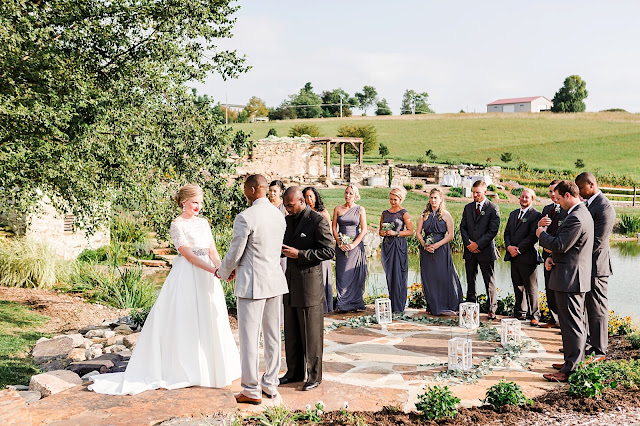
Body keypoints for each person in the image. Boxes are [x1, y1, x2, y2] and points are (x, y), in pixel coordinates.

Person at [89, 184, 240, 395]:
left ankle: (212, 368)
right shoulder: (176, 224)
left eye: (200, 202)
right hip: (188, 275)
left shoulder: (204, 223)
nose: (199, 206)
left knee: (209, 318)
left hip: (208, 277)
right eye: (195, 202)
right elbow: (188, 255)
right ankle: (183, 369)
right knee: (184, 318)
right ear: (183, 202)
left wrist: (223, 269)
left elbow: (212, 250)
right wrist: (213, 271)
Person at [216, 174, 289, 404]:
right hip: (275, 281)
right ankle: (271, 385)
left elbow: (236, 251)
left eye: (245, 188)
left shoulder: (245, 217)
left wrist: (223, 271)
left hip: (252, 284)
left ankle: (250, 389)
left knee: (249, 337)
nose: (244, 192)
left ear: (254, 189)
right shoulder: (279, 216)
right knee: (273, 336)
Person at [537, 180, 594, 382]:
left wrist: (541, 234)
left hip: (571, 279)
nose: (558, 202)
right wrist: (554, 256)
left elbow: (561, 244)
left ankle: (571, 368)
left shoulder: (577, 217)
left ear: (568, 196)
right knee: (570, 323)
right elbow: (569, 248)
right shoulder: (578, 213)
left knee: (572, 325)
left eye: (559, 198)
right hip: (569, 274)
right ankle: (571, 361)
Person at [279, 187, 335, 391]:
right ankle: (294, 372)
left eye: (290, 205)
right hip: (290, 283)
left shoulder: (317, 220)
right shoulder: (287, 221)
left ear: (302, 201)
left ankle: (314, 376)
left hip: (310, 285)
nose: (287, 209)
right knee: (292, 331)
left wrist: (300, 254)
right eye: (285, 206)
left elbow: (329, 250)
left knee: (311, 334)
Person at [575, 172, 616, 361]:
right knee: (586, 306)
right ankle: (587, 344)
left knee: (598, 307)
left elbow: (597, 241)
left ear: (591, 184)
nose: (580, 193)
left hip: (597, 266)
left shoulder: (605, 207)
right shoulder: (588, 204)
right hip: (585, 264)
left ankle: (599, 349)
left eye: (581, 189)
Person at [417, 188, 463, 315]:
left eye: (435, 197)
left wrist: (436, 245)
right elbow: (418, 233)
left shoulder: (446, 215)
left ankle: (446, 305)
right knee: (429, 277)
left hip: (441, 250)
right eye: (431, 197)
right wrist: (424, 244)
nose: (433, 200)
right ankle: (433, 306)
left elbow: (451, 235)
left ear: (441, 199)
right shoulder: (423, 215)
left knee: (443, 276)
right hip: (426, 251)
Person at [459, 180, 500, 319]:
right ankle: (471, 306)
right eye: (473, 192)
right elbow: (462, 227)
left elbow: (493, 230)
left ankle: (491, 309)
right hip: (470, 250)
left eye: (478, 192)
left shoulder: (493, 208)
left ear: (485, 192)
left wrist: (478, 244)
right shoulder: (468, 207)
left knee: (489, 281)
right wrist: (469, 244)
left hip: (486, 251)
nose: (475, 195)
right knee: (470, 280)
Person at [503, 188, 542, 325]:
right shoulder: (514, 214)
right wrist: (508, 247)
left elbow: (533, 236)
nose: (524, 199)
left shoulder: (536, 215)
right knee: (517, 286)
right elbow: (506, 232)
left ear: (532, 199)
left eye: (527, 197)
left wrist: (518, 249)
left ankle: (535, 316)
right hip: (513, 256)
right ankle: (519, 313)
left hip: (527, 256)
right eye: (522, 196)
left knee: (531, 288)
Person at [332, 184, 368, 312]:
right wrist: (339, 242)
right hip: (341, 246)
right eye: (346, 192)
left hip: (356, 246)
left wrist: (353, 244)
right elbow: (333, 228)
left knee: (354, 273)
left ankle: (355, 302)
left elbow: (364, 230)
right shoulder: (337, 209)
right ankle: (342, 303)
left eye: (351, 193)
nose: (348, 195)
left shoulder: (360, 209)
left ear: (355, 196)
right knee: (342, 274)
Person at [379, 187, 414, 313]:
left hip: (399, 246)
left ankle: (399, 306)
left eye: (395, 199)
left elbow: (410, 231)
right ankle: (392, 303)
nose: (392, 202)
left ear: (400, 199)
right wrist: (384, 233)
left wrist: (396, 233)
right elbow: (380, 231)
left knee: (399, 274)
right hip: (387, 246)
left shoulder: (404, 213)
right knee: (390, 275)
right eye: (391, 199)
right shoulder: (384, 213)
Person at [538, 180, 567, 329]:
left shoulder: (567, 209)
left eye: (554, 190)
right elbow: (541, 231)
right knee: (549, 287)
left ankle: (563, 322)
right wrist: (540, 224)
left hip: (560, 254)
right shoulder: (547, 208)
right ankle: (553, 318)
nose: (552, 194)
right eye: (550, 191)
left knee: (560, 289)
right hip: (546, 254)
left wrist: (553, 247)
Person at [303, 186, 334, 313]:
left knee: (322, 275)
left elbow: (330, 232)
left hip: (321, 248)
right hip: (308, 249)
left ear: (316, 197)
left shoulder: (323, 212)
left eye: (311, 196)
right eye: (306, 196)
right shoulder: (303, 213)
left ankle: (325, 305)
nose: (308, 199)